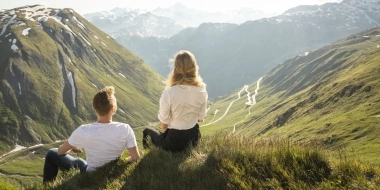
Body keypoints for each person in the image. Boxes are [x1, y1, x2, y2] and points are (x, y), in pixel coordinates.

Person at [43, 86, 140, 183]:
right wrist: (119, 163)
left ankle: (47, 186)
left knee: (52, 153)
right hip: (111, 170)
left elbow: (60, 152)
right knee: (79, 161)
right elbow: (135, 158)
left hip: (90, 172)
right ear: (112, 108)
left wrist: (72, 146)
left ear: (95, 107)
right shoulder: (125, 129)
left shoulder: (84, 130)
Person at [143, 50, 208, 152]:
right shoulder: (202, 91)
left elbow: (163, 125)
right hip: (194, 139)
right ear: (194, 67)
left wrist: (168, 134)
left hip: (174, 141)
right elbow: (201, 118)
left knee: (147, 131)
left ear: (176, 68)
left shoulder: (169, 93)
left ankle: (149, 156)